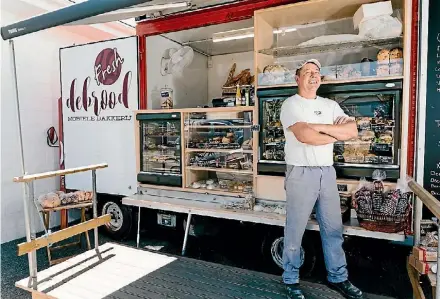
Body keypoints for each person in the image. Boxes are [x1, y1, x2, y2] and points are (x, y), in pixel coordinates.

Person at [279, 59, 363, 299]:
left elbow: (352, 131)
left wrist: (318, 127)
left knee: (333, 229)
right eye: (308, 72)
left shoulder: (330, 104)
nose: (313, 76)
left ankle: (338, 278)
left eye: (316, 72)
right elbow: (305, 136)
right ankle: (290, 279)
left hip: (327, 172)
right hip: (301, 172)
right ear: (298, 78)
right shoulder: (290, 105)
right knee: (295, 230)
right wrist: (334, 133)